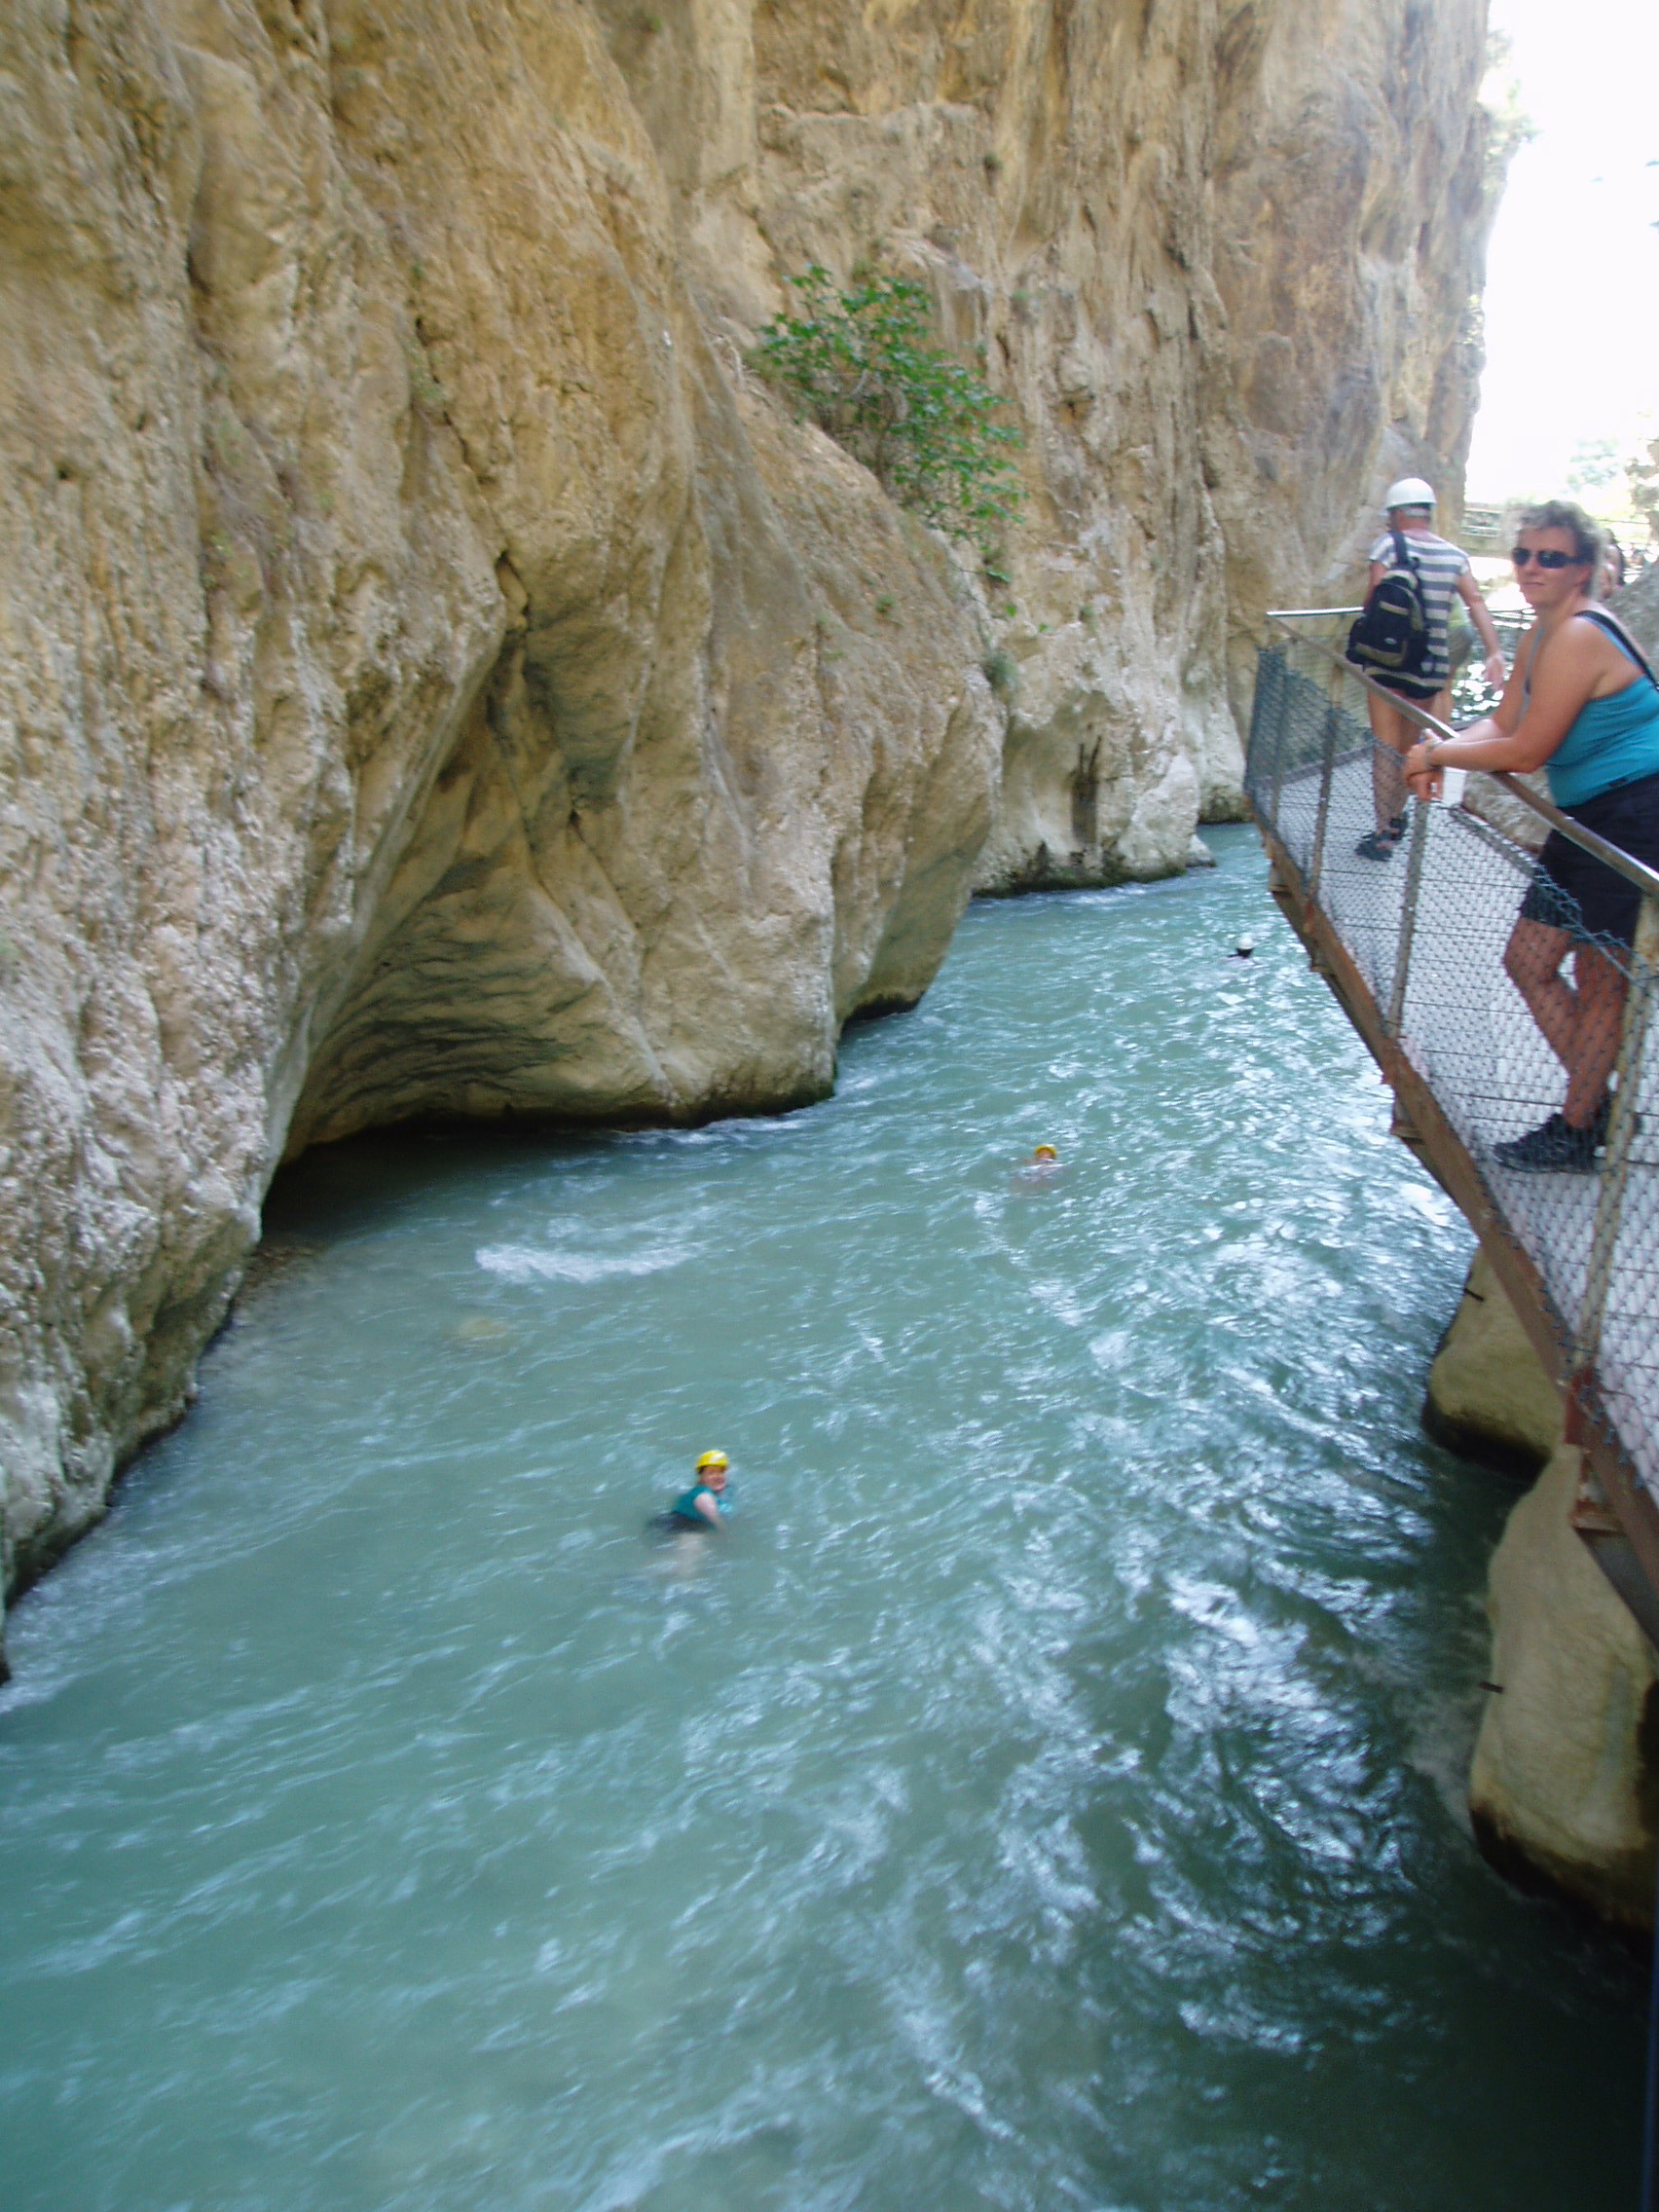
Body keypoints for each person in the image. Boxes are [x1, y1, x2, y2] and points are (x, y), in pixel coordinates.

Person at [1403, 499, 1659, 1172]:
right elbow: (1505, 717)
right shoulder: (1548, 632)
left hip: (1637, 820)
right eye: (1524, 554)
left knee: (1601, 978)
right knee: (1529, 959)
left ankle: (1578, 1130)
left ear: (1584, 570)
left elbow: (1525, 751)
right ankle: (1597, 1104)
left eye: (1552, 557)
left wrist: (1435, 758)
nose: (1532, 568)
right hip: (1590, 820)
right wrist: (1440, 744)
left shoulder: (1578, 634)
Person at [1354, 477, 1508, 860]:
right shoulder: (1455, 556)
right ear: (1428, 512)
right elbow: (1475, 602)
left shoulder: (1388, 546)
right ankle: (1400, 815)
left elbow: (1372, 601)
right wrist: (1494, 652)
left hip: (1387, 665)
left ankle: (1383, 832)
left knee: (1384, 747)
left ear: (1396, 514)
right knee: (1410, 747)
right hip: (1431, 668)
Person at [659, 1450, 733, 1531]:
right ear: (700, 1477)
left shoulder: (723, 1490)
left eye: (721, 1472)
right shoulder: (704, 1497)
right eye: (711, 1473)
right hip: (683, 1528)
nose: (718, 1476)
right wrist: (727, 1535)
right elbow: (719, 1526)